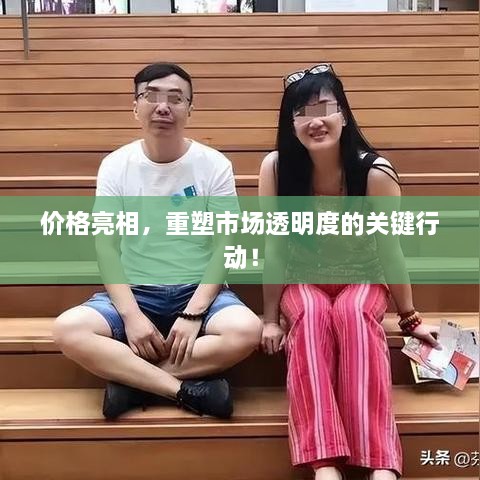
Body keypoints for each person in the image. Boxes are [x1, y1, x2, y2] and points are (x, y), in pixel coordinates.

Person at [259, 64, 441, 480]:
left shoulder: (374, 173)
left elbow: (390, 250)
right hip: (302, 280)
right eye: (302, 113)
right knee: (311, 316)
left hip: (363, 279)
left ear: (343, 114)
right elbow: (275, 246)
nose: (316, 121)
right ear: (290, 124)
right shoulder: (276, 168)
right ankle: (324, 462)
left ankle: (380, 461)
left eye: (325, 108)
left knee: (352, 313)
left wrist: (410, 317)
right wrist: (269, 319)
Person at [53, 62, 262, 420]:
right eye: (151, 96)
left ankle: (133, 383)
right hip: (136, 291)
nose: (163, 106)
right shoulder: (116, 165)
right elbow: (106, 247)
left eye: (176, 98)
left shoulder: (214, 165)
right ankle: (183, 390)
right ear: (135, 106)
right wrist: (131, 316)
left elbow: (225, 245)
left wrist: (193, 312)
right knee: (68, 330)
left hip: (199, 291)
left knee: (246, 330)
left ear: (190, 109)